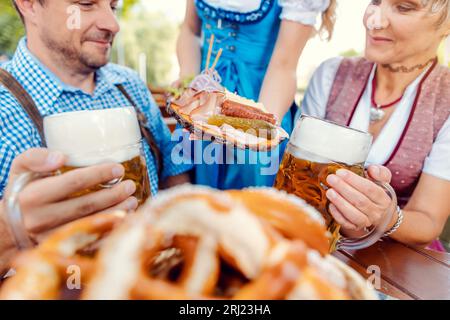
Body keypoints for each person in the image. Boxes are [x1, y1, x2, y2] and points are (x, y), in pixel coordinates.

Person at [0, 0, 192, 275]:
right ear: (29, 4)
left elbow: (176, 184)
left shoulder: (131, 85)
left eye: (113, 7)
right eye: (87, 4)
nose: (113, 25)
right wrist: (9, 231)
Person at [298, 0, 450, 249]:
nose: (374, 20)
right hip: (316, 241)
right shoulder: (331, 74)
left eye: (404, 7)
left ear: (446, 25)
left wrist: (388, 217)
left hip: (400, 261)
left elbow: (429, 219)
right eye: (376, 1)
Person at [176, 0, 336, 189]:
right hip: (204, 103)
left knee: (252, 185)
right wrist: (188, 84)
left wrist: (253, 130)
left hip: (261, 103)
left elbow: (284, 66)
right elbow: (190, 30)